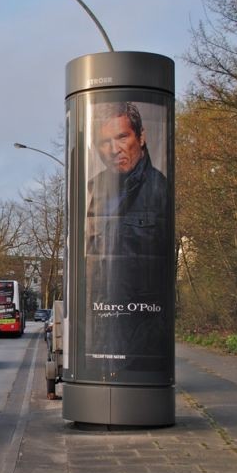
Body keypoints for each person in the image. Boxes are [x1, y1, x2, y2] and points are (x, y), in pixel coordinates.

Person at [85, 101, 171, 373]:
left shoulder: (160, 191)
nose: (113, 150)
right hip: (102, 333)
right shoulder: (92, 191)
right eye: (104, 142)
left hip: (143, 343)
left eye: (122, 137)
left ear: (141, 136)